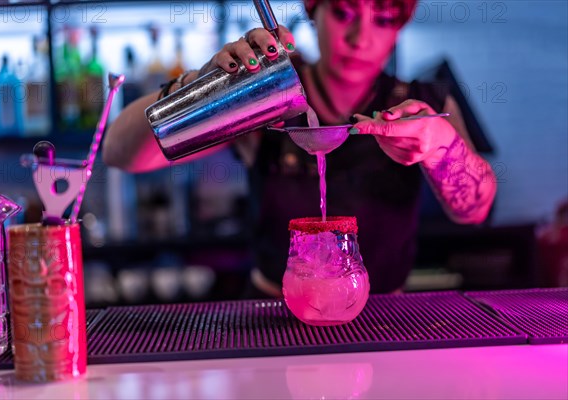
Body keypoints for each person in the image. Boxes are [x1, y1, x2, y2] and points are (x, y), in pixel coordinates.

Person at [103, 0, 497, 297]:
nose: (361, 39)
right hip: (271, 318)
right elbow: (119, 152)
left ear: (400, 25)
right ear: (314, 11)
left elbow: (475, 209)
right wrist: (203, 87)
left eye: (382, 19)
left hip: (383, 319)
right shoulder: (265, 98)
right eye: (344, 13)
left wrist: (442, 149)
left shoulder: (424, 103)